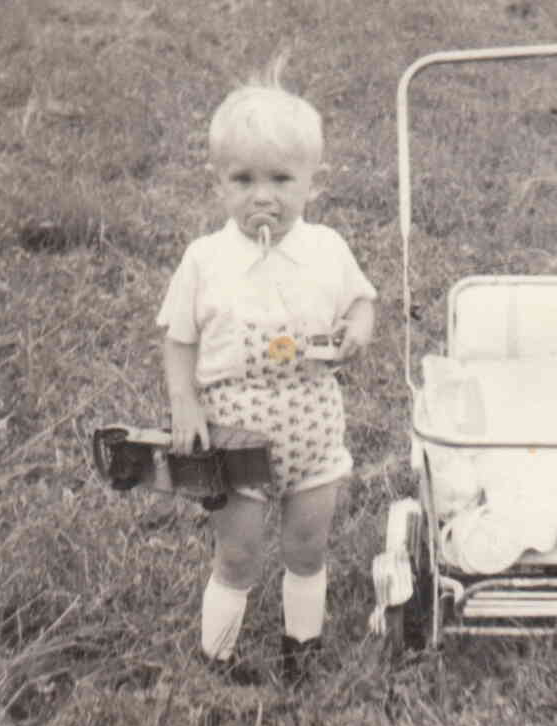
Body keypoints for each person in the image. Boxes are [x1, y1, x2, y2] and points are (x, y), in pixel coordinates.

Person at [155, 67, 377, 685]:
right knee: (238, 552)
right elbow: (179, 337)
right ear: (218, 183)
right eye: (244, 179)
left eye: (282, 179)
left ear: (313, 181)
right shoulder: (206, 259)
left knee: (307, 547)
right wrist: (185, 404)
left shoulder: (326, 248)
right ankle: (217, 660)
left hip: (311, 425)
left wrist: (357, 329)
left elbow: (362, 300)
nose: (264, 197)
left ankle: (300, 648)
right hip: (236, 435)